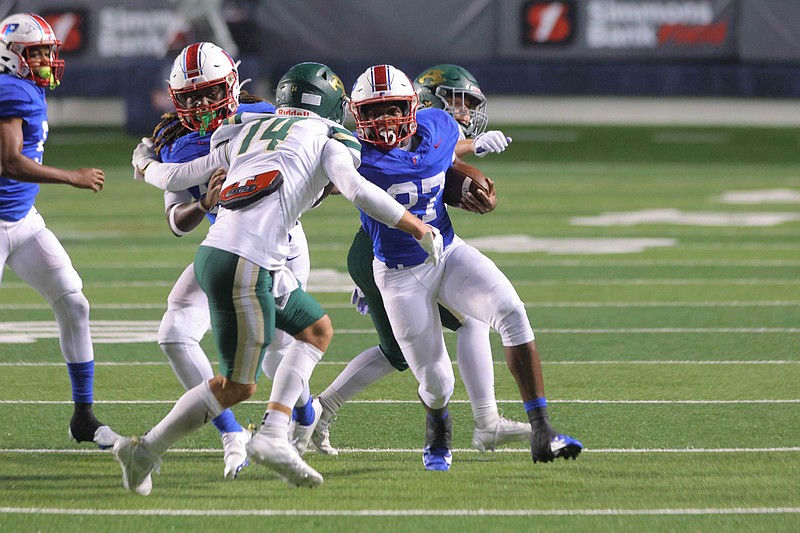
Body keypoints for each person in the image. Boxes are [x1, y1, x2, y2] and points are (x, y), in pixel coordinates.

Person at [114, 62, 442, 495]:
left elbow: (174, 176)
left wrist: (143, 163)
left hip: (225, 253)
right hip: (246, 263)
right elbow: (359, 191)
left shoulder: (248, 130)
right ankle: (146, 449)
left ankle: (274, 430)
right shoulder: (327, 138)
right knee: (237, 385)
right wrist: (418, 227)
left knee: (316, 330)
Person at [336, 64, 582, 471]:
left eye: (393, 108)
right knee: (436, 382)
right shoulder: (350, 155)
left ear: (414, 106)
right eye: (373, 111)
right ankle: (438, 430)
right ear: (357, 114)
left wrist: (475, 148)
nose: (384, 121)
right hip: (399, 275)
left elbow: (445, 151)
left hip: (448, 253)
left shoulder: (438, 124)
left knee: (512, 313)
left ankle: (541, 429)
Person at [312, 64, 527, 458]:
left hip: (415, 247)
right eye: (456, 104)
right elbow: (339, 181)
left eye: (467, 107)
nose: (463, 114)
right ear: (431, 101)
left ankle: (319, 411)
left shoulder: (431, 129)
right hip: (385, 251)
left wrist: (473, 149)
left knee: (438, 335)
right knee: (448, 332)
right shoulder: (366, 145)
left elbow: (438, 156)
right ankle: (486, 422)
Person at [145, 42, 297, 479]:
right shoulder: (175, 142)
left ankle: (304, 418)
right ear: (176, 101)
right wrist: (205, 202)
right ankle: (232, 434)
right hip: (226, 245)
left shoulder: (267, 119)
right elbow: (177, 221)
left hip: (281, 247)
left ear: (231, 85)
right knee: (175, 333)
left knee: (278, 357)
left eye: (210, 92)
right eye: (190, 98)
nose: (202, 104)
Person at [0, 13, 118, 448]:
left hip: (21, 220)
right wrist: (72, 176)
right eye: (38, 53)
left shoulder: (25, 87)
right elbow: (10, 162)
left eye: (49, 52)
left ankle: (83, 416)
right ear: (13, 56)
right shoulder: (10, 88)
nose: (48, 59)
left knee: (74, 302)